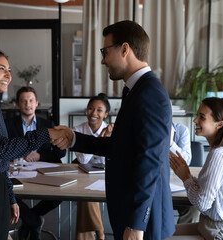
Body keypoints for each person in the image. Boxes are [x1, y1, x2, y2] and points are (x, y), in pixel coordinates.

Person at [55, 20, 175, 240]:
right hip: (131, 213)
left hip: (144, 222)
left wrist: (137, 224)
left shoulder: (150, 93)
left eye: (105, 51)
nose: (102, 60)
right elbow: (118, 146)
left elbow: (151, 161)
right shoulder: (134, 90)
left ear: (124, 49)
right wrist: (73, 139)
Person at [0, 49, 70, 240]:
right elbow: (3, 149)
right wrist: (46, 133)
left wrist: (9, 196)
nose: (8, 75)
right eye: (1, 69)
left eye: (9, 69)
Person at [169, 97, 223, 240]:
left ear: (219, 124)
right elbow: (208, 191)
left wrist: (186, 177)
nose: (195, 120)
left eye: (201, 117)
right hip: (209, 226)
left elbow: (202, 204)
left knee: (157, 236)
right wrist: (187, 176)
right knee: (159, 232)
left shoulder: (219, 155)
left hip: (219, 233)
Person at [5, 86, 65, 240]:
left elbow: (60, 153)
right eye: (23, 101)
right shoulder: (8, 125)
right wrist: (21, 153)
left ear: (37, 103)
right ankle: (33, 220)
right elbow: (3, 150)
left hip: (43, 171)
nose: (28, 104)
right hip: (17, 170)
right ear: (18, 104)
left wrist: (40, 155)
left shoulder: (48, 124)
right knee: (6, 192)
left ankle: (31, 220)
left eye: (31, 100)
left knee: (60, 194)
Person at [73, 93, 113, 240]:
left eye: (99, 110)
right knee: (86, 196)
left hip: (107, 175)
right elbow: (83, 160)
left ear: (106, 114)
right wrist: (100, 141)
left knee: (86, 197)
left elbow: (110, 159)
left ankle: (93, 233)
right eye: (90, 108)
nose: (94, 113)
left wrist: (106, 139)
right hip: (84, 174)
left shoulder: (113, 131)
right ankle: (100, 232)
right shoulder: (77, 130)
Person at [170, 122, 200, 223]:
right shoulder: (146, 129)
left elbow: (186, 162)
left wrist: (171, 144)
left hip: (175, 185)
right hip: (153, 185)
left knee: (193, 209)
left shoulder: (181, 130)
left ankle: (179, 235)